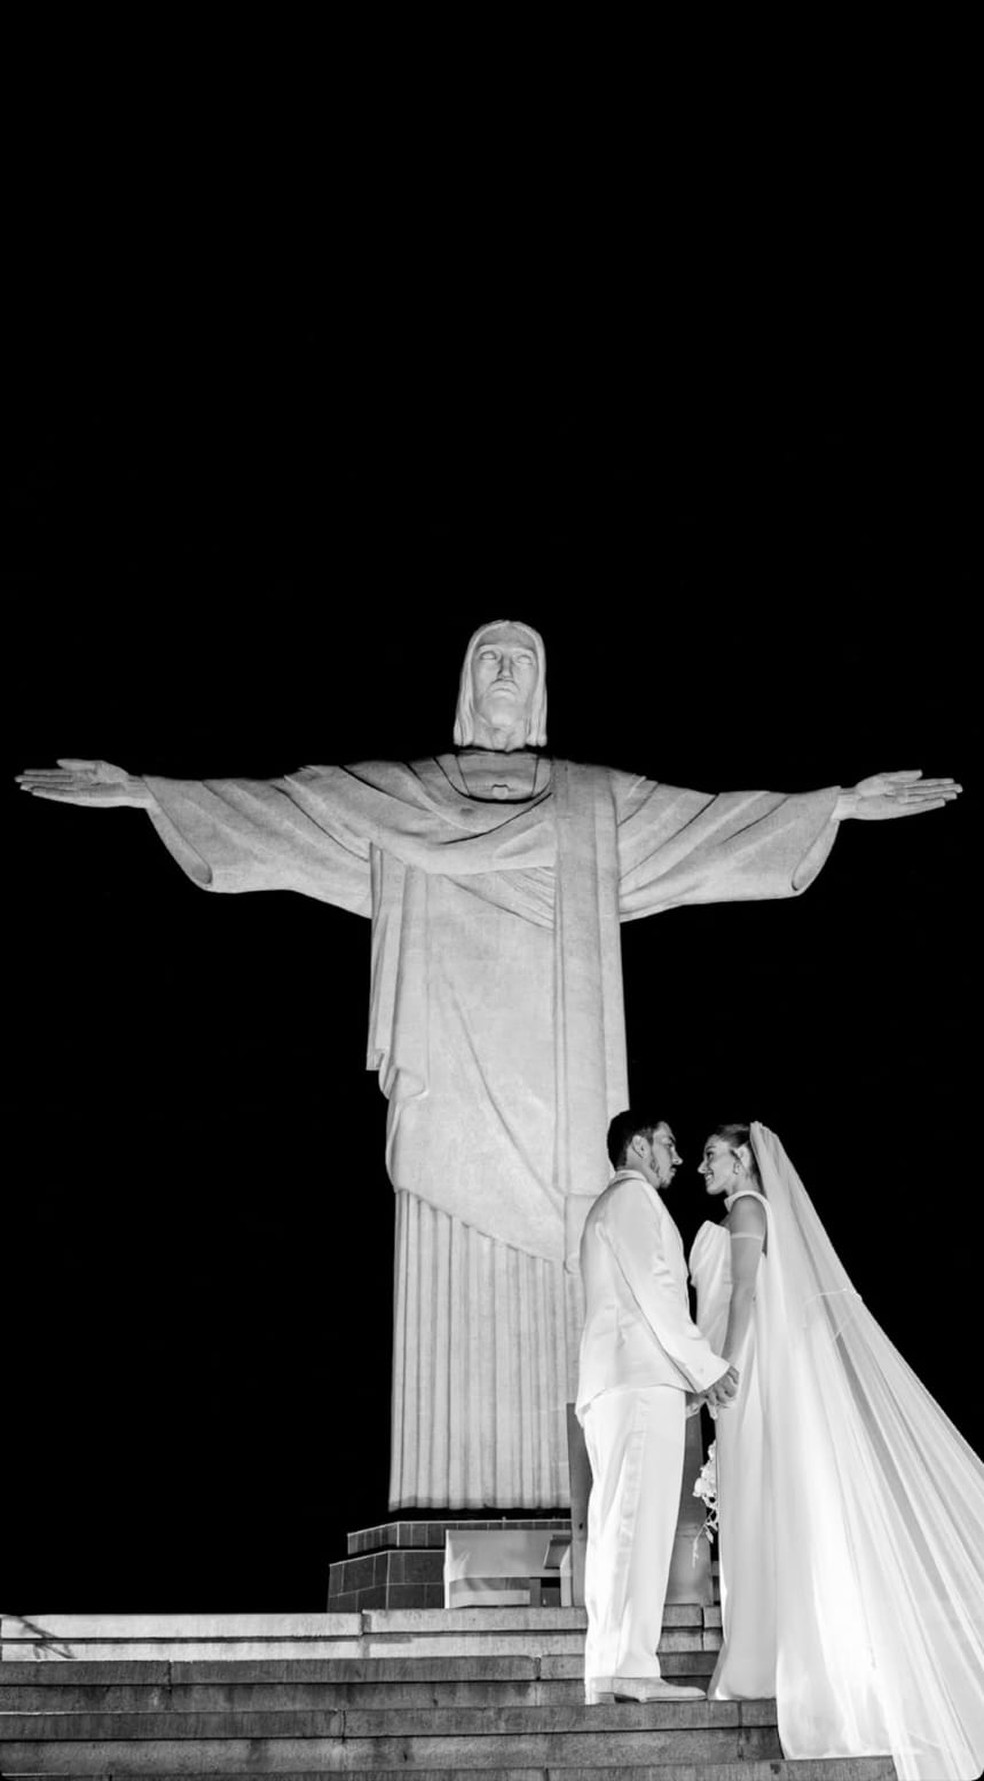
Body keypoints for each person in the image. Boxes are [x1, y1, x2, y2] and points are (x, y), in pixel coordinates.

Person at [16, 621, 961, 1515]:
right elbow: (287, 807)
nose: (505, 670)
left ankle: (576, 1516)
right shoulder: (405, 795)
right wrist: (150, 791)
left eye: (521, 657)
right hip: (450, 1074)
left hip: (564, 1078)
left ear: (539, 687)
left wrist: (832, 804)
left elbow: (708, 825)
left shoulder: (593, 800)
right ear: (467, 687)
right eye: (489, 658)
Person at [689, 1120, 984, 1781]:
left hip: (753, 1375)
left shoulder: (744, 1206)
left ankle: (763, 1660)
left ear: (740, 1158)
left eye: (710, 1155)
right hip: (769, 1372)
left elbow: (743, 1293)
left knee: (759, 1508)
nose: (701, 1166)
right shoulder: (759, 1209)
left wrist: (721, 1369)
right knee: (771, 1509)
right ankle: (771, 1655)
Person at [576, 1109, 739, 1705]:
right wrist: (708, 1367)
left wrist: (687, 1380)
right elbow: (658, 1291)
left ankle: (609, 1668)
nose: (677, 1157)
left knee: (623, 1524)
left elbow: (638, 1300)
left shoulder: (611, 1206)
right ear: (639, 1145)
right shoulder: (634, 1200)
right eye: (669, 1144)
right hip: (638, 1386)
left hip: (629, 1383)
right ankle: (630, 1667)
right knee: (633, 1527)